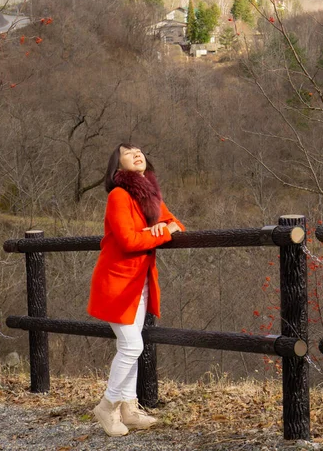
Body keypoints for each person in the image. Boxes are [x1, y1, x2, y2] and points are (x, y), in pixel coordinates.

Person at [87, 143, 185, 437]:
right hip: (117, 282)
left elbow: (175, 223)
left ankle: (128, 409)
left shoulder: (150, 195)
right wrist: (155, 233)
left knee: (128, 345)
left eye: (139, 150)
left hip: (138, 282)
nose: (137, 154)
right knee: (132, 346)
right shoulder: (119, 195)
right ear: (117, 168)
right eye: (128, 153)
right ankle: (107, 406)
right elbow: (129, 241)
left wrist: (163, 229)